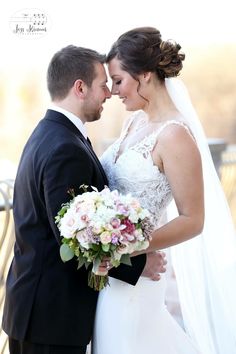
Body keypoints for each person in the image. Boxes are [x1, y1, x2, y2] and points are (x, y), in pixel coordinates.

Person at [1, 45, 167, 354]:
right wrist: (138, 263)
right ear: (80, 88)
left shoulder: (49, 132)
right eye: (103, 84)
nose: (108, 93)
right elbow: (74, 239)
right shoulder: (65, 147)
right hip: (50, 319)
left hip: (35, 310)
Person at [93, 27, 236, 354]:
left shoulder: (175, 135)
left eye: (118, 80)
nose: (114, 91)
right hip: (113, 276)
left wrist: (129, 247)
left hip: (138, 279)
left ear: (144, 76)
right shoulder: (136, 123)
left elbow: (193, 219)